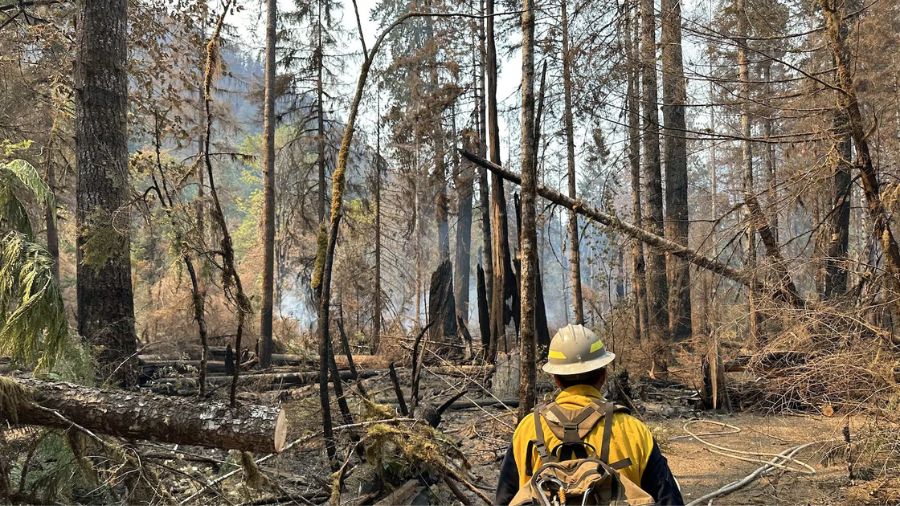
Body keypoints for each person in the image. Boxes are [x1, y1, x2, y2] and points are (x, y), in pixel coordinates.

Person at [495, 324, 683, 505]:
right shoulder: (633, 430)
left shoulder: (527, 429)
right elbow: (670, 500)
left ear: (556, 379)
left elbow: (504, 499)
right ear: (603, 375)